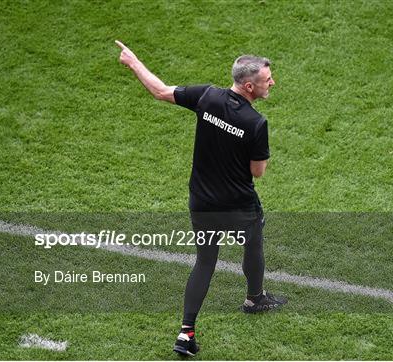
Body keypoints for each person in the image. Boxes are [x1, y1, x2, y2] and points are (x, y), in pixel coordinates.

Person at [115, 40, 287, 357]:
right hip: (238, 205)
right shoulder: (256, 123)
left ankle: (186, 333)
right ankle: (254, 299)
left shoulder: (207, 96)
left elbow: (161, 91)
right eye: (267, 80)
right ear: (250, 86)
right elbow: (258, 171)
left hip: (202, 202)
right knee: (253, 244)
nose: (272, 82)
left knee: (205, 262)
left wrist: (134, 62)